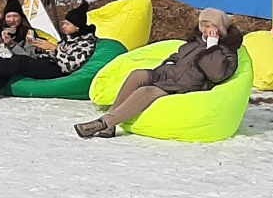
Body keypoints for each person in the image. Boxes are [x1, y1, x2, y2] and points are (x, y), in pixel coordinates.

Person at [74, 7, 242, 138]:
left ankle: (105, 122)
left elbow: (217, 74)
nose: (206, 31)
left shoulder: (226, 50)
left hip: (184, 85)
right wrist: (167, 64)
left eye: (210, 27)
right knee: (138, 74)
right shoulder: (193, 43)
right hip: (167, 76)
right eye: (203, 27)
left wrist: (212, 45)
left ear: (220, 29)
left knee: (146, 91)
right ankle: (111, 121)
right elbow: (176, 56)